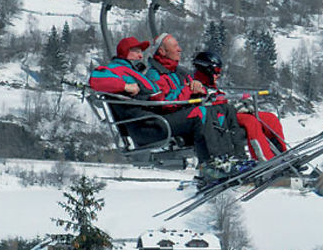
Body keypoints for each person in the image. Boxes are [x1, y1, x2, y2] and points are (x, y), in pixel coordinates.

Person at [89, 36, 210, 160]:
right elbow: (96, 79)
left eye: (141, 52)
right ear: (126, 52)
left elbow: (157, 96)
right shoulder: (118, 69)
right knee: (200, 113)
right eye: (136, 51)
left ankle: (221, 159)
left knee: (215, 111)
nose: (141, 56)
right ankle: (209, 164)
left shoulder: (134, 73)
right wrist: (125, 86)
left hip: (154, 121)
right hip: (147, 127)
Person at [146, 34, 247, 169]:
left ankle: (235, 157)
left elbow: (198, 89)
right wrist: (189, 89)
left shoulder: (180, 72)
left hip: (184, 112)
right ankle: (211, 163)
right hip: (166, 119)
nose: (179, 49)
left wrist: (201, 90)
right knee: (202, 112)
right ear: (162, 51)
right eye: (175, 46)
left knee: (225, 109)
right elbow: (165, 102)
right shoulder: (154, 74)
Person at [191, 51, 288, 161]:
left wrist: (241, 105)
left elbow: (222, 99)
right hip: (218, 118)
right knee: (251, 122)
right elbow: (205, 106)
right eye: (217, 71)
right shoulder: (196, 86)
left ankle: (283, 155)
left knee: (270, 118)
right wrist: (234, 107)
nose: (218, 75)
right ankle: (266, 159)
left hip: (229, 113)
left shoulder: (211, 85)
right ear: (206, 70)